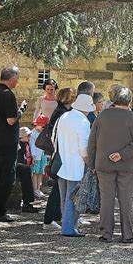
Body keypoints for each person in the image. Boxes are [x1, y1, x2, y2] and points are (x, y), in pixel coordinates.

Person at [88, 86, 133, 243]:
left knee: (106, 199)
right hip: (126, 165)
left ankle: (106, 233)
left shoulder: (102, 116)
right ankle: (127, 234)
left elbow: (92, 142)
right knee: (126, 199)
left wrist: (92, 164)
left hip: (103, 164)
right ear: (129, 101)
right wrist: (123, 154)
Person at [0, 65, 27, 222]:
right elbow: (11, 120)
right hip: (6, 142)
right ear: (12, 78)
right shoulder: (8, 95)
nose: (17, 81)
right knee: (7, 176)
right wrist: (22, 110)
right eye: (17, 78)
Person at [56, 93, 94, 237]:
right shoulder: (83, 122)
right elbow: (83, 149)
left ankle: (67, 227)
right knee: (74, 199)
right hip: (76, 164)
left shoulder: (64, 117)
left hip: (62, 162)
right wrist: (90, 164)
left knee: (64, 198)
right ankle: (68, 228)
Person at [43, 87, 76, 230]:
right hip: (62, 154)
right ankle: (49, 219)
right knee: (58, 188)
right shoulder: (63, 113)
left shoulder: (60, 111)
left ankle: (56, 217)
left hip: (61, 153)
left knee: (59, 187)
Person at [17, 127, 39, 213]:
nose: (30, 137)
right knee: (25, 170)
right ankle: (27, 203)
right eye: (28, 135)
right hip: (18, 167)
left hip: (23, 167)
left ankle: (28, 202)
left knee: (26, 170)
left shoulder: (26, 145)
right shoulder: (19, 145)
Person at [29, 114, 50, 198]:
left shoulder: (43, 133)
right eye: (42, 127)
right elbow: (32, 146)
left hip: (42, 155)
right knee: (35, 172)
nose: (43, 129)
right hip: (36, 156)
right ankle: (35, 189)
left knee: (41, 172)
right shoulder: (33, 134)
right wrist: (33, 156)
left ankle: (38, 188)